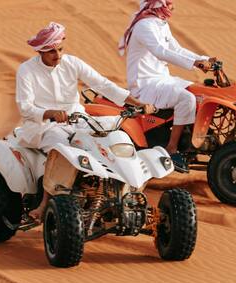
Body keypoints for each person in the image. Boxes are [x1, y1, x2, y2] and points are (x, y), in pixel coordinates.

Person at [15, 22, 154, 221]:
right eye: (52, 51)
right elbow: (25, 108)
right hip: (44, 126)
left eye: (60, 49)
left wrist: (137, 103)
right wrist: (50, 113)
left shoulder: (72, 63)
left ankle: (125, 194)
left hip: (78, 120)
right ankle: (45, 202)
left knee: (115, 135)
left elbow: (102, 84)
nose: (58, 55)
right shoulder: (26, 71)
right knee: (60, 148)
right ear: (41, 52)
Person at [119, 0, 217, 173]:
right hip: (145, 85)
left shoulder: (160, 24)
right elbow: (160, 51)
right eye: (169, 2)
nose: (173, 6)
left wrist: (204, 59)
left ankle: (193, 138)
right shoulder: (144, 26)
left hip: (163, 79)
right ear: (158, 4)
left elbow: (176, 49)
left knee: (200, 92)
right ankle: (171, 149)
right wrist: (195, 62)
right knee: (186, 98)